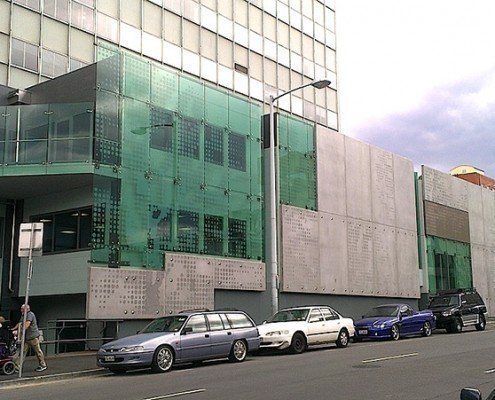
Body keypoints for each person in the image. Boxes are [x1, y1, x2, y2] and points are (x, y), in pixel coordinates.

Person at [12, 304, 47, 372]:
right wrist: (13, 329)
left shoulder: (30, 314)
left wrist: (20, 331)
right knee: (22, 352)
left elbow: (27, 324)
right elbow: (20, 323)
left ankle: (43, 365)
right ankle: (17, 367)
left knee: (37, 351)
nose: (20, 309)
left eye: (22, 308)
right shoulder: (23, 315)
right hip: (26, 337)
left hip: (33, 337)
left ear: (26, 309)